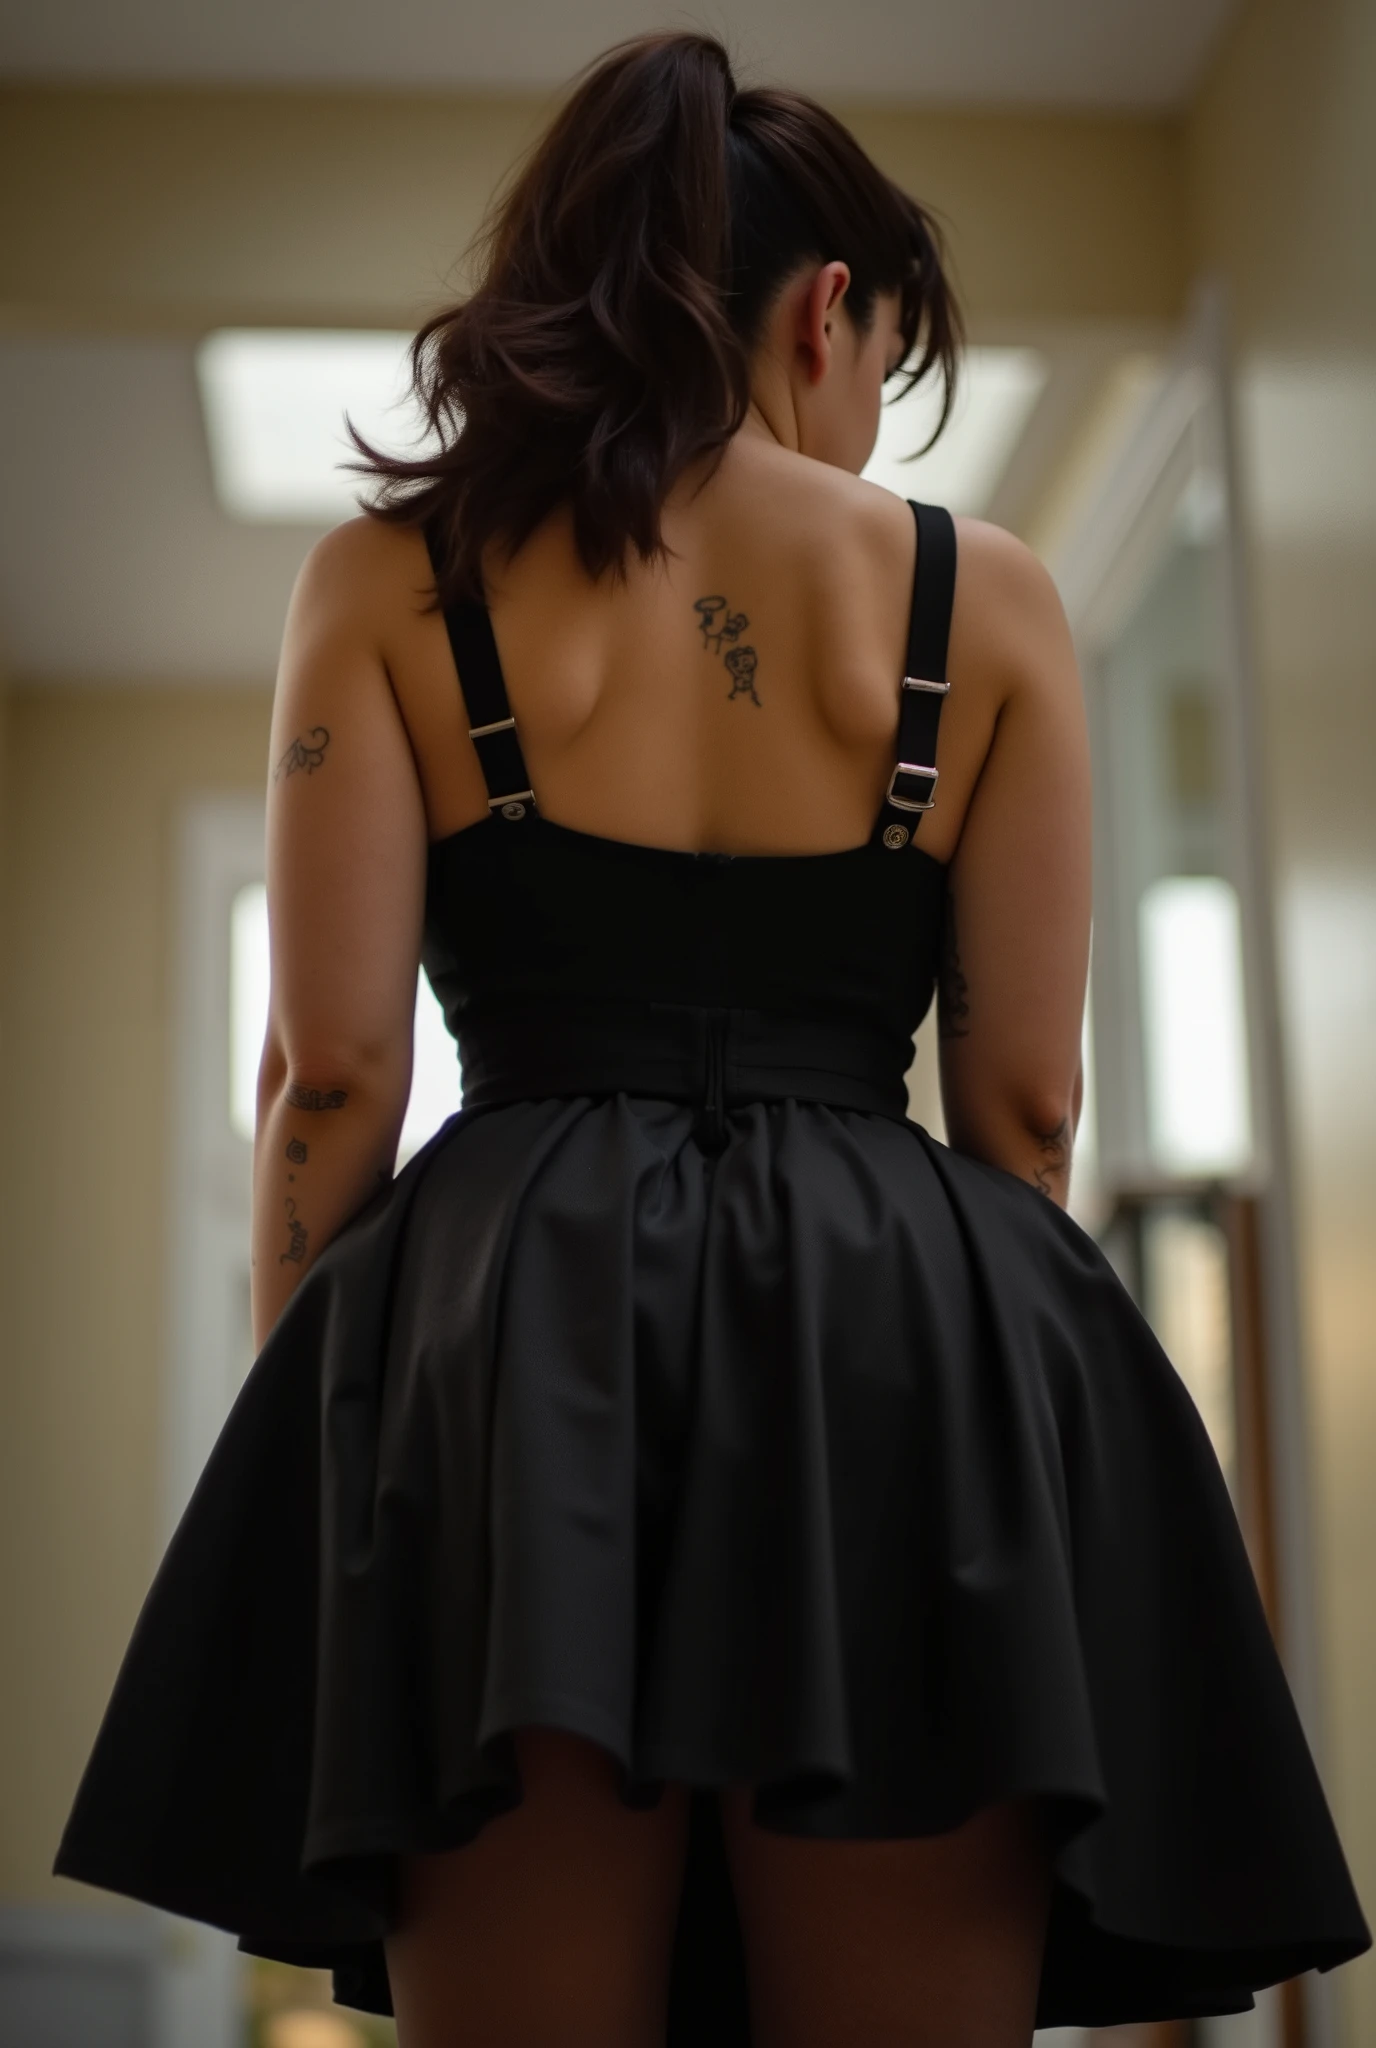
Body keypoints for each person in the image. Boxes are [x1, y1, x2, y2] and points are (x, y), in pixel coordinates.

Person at [56, 31, 1367, 2048]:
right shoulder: (982, 600)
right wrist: (971, 1390)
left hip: (505, 1349)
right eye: (878, 369)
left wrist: (346, 1435)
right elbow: (1025, 1099)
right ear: (825, 313)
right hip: (895, 1332)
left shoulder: (386, 582)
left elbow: (330, 1076)